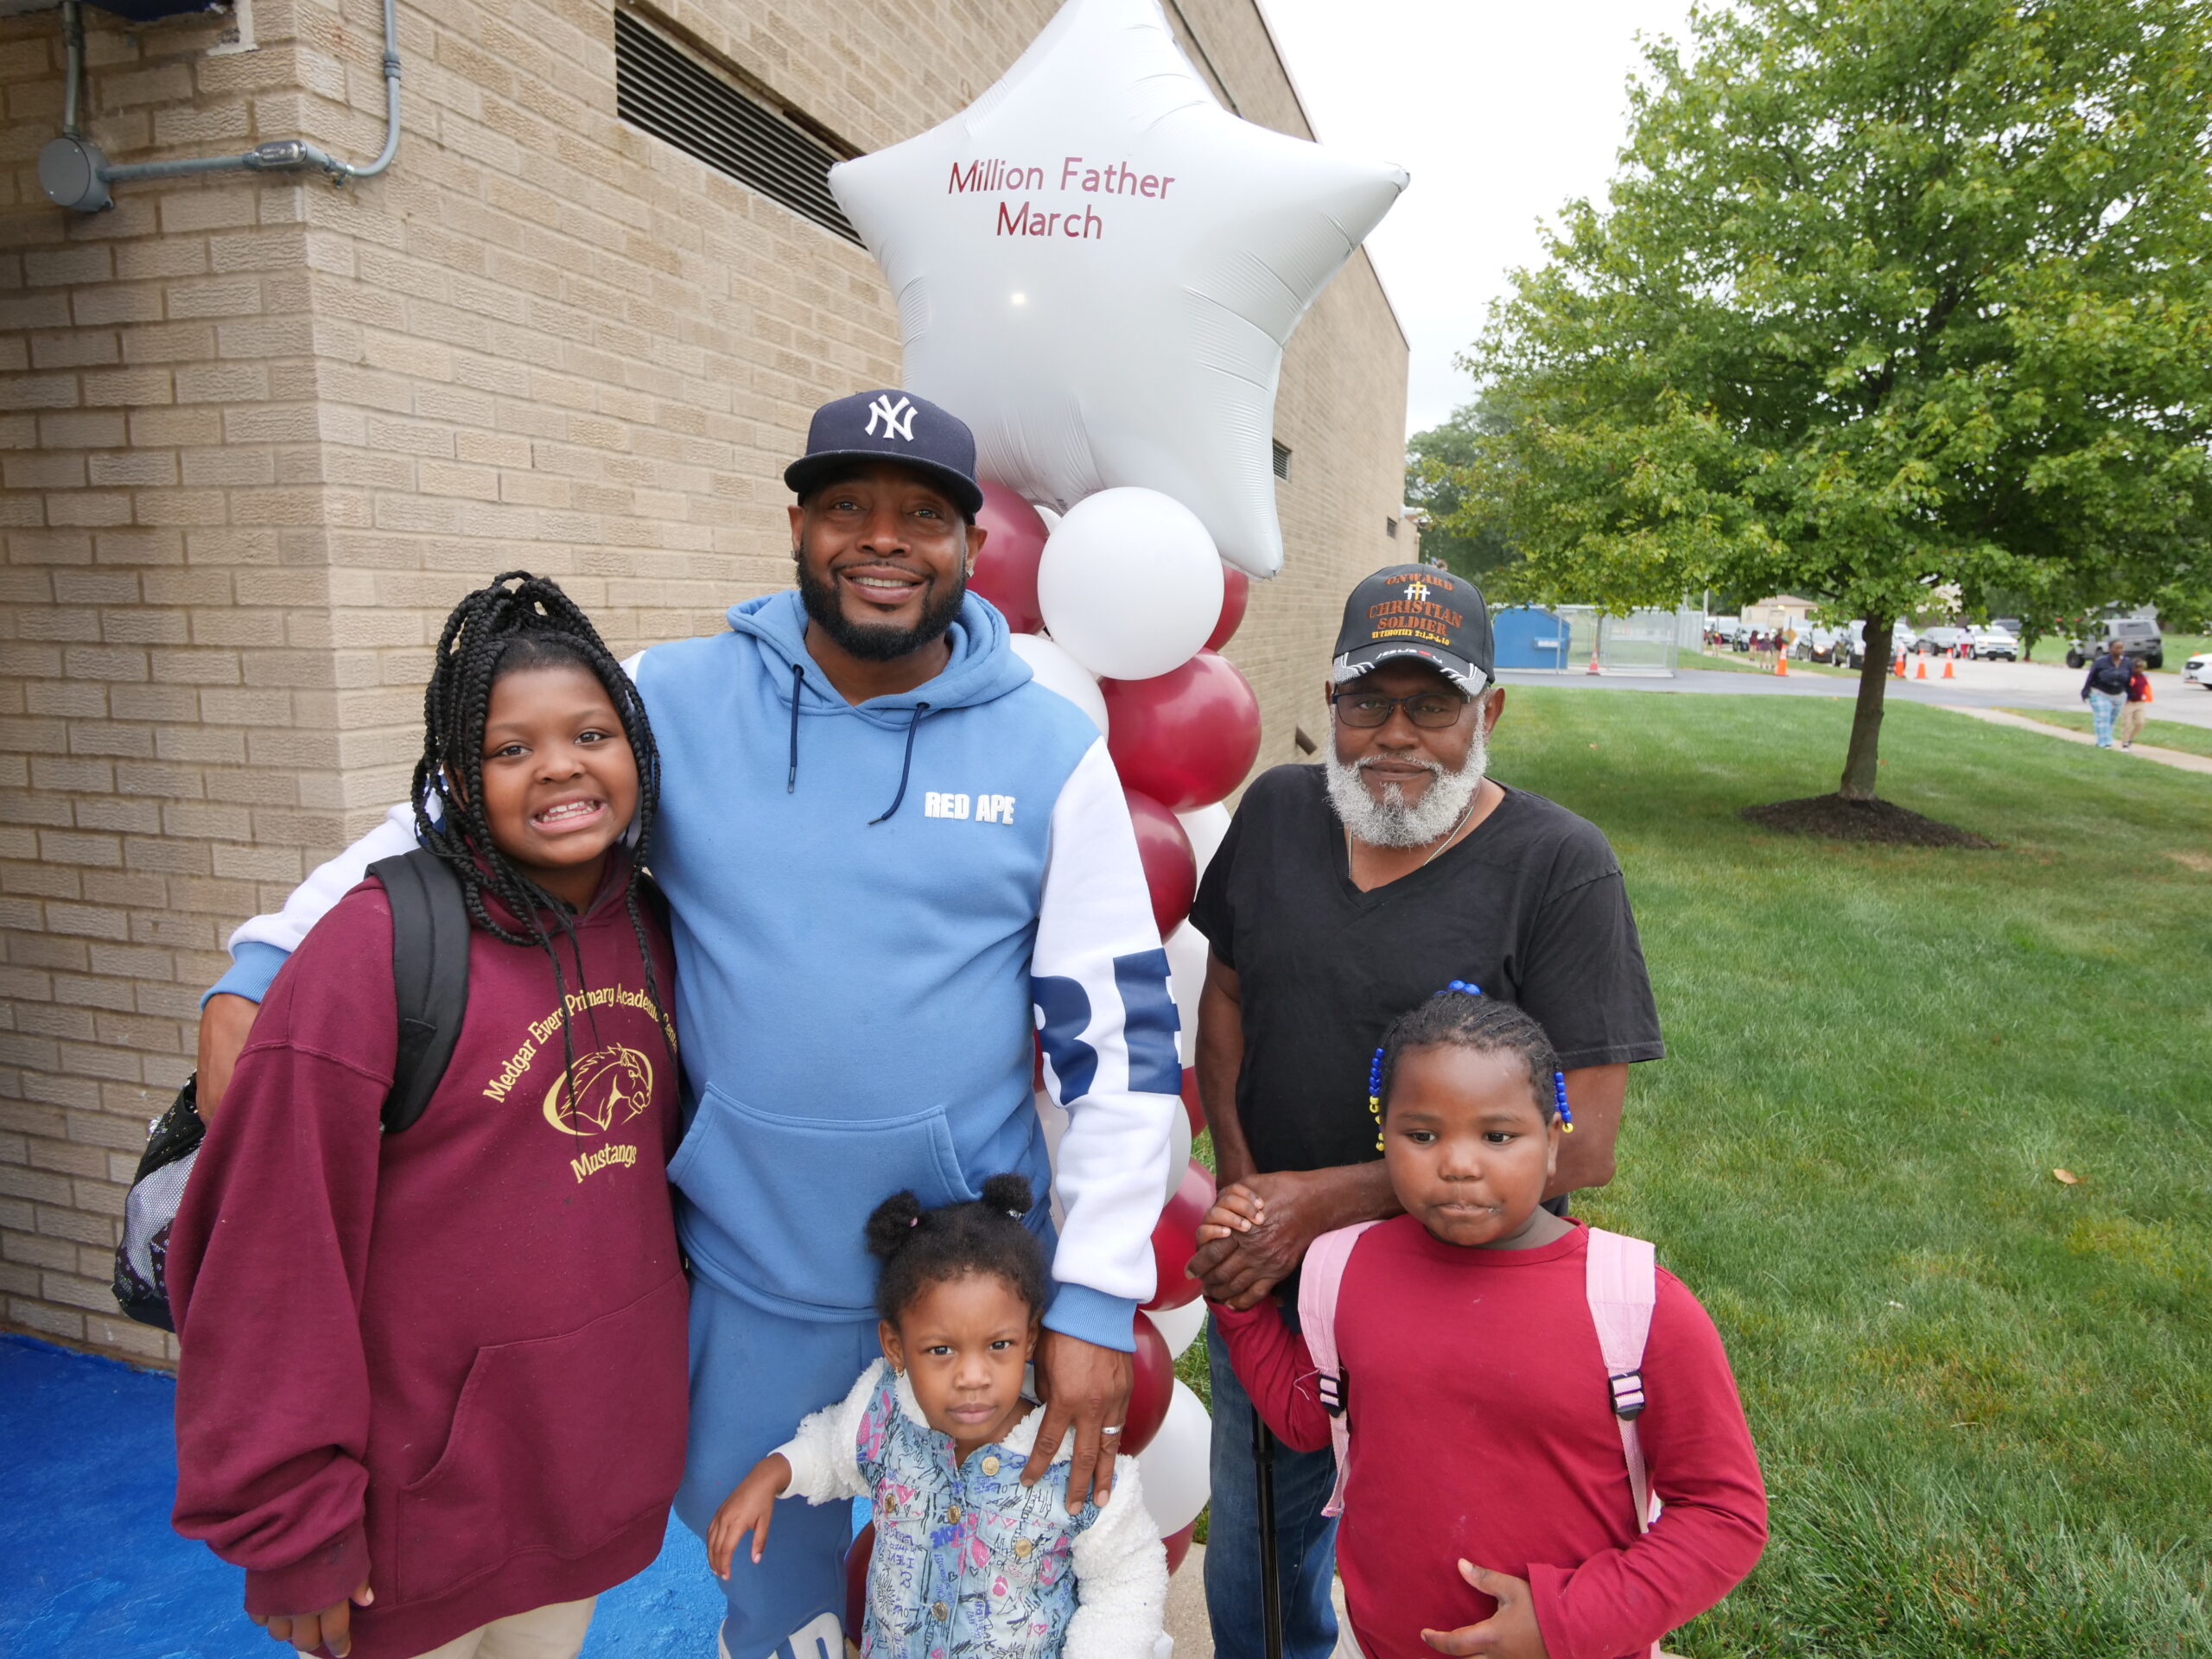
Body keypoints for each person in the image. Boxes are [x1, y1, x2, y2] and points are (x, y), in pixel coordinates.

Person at [192, 391, 1180, 1659]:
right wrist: (271, 951)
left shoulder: (1052, 750)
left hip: (970, 1295)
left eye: (919, 516)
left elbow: (1122, 1039)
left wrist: (1096, 1297)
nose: (882, 541)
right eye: (846, 510)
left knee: (1001, 1606)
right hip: (746, 1288)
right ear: (797, 526)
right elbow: (449, 806)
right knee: (776, 1608)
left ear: (969, 546)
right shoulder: (668, 695)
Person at [168, 575, 688, 1659]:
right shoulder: (376, 949)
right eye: (511, 749)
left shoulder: (654, 924)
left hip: (578, 1490)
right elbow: (266, 1252)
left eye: (592, 732)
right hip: (405, 1525)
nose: (559, 767)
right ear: (456, 775)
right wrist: (291, 1524)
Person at [1185, 564, 1664, 1659]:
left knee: (1445, 1548)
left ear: (1486, 712)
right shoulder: (1273, 814)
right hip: (1270, 1271)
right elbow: (1227, 997)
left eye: (1431, 705)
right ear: (1332, 705)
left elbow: (1582, 1136)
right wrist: (1249, 1193)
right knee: (1259, 1543)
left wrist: (1330, 1203)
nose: (1394, 736)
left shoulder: (1557, 865)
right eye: (1367, 703)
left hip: (1456, 1278)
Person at [1203, 990, 1766, 1659]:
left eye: (1498, 1136)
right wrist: (1237, 1302)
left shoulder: (1636, 1303)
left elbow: (1723, 1514)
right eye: (1422, 1135)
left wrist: (1568, 1619)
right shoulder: (1343, 1268)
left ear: (1554, 1142)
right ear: (1385, 1138)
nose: (1459, 1164)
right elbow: (1308, 1419)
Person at [709, 1178, 1167, 1656]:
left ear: (1030, 1339)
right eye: (941, 1350)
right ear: (895, 1348)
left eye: (999, 1345)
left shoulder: (1076, 1460)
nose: (972, 1376)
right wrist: (773, 1473)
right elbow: (833, 1447)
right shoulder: (886, 1413)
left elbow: (1127, 1579)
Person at [2082, 637, 2135, 747]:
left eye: (2121, 648)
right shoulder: (2100, 662)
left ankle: (2103, 740)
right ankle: (2105, 743)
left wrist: (2130, 694)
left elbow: (2129, 680)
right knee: (2103, 717)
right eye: (2117, 648)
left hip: (2118, 695)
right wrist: (2085, 691)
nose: (2120, 650)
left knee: (2111, 720)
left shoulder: (2127, 663)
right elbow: (2091, 677)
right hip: (2100, 693)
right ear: (2110, 649)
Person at [2119, 658, 2153, 750]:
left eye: (2141, 668)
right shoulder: (2129, 677)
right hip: (2128, 703)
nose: (2139, 670)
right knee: (2127, 724)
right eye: (2136, 668)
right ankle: (2125, 743)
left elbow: (2146, 688)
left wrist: (2147, 697)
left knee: (2140, 722)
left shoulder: (2144, 677)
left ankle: (2130, 738)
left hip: (2140, 703)